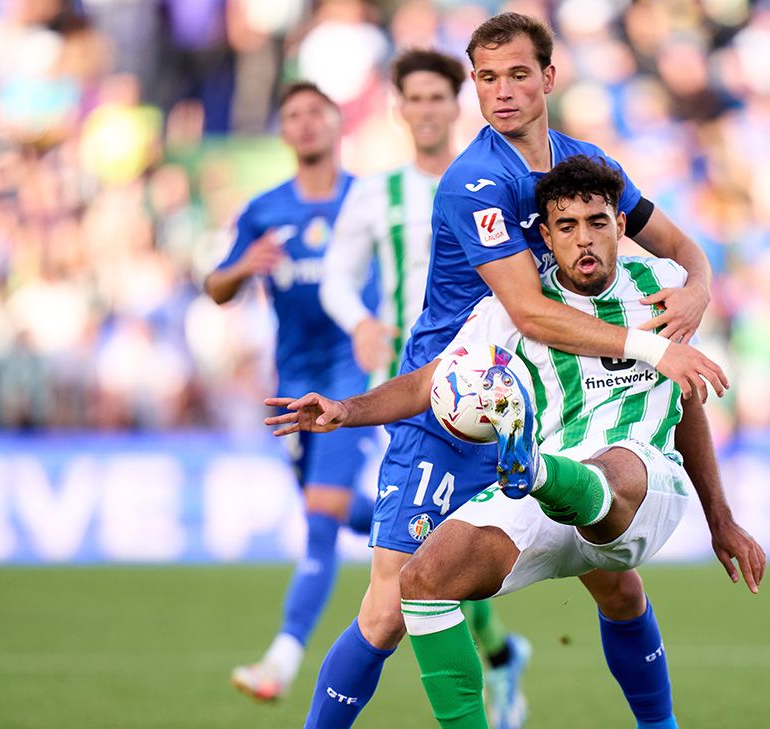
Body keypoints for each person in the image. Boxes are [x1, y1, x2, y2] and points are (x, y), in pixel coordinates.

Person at [291, 13, 740, 729]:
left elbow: (680, 245)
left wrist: (698, 286)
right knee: (389, 608)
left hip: (540, 401)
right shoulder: (476, 180)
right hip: (453, 399)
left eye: (518, 74)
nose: (501, 92)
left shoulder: (583, 168)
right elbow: (528, 314)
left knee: (616, 581)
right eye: (487, 78)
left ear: (549, 78)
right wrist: (657, 346)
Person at [319, 48, 531, 727]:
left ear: (455, 103)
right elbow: (336, 279)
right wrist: (360, 322)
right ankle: (500, 659)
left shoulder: (498, 181)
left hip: (504, 392)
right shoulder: (377, 193)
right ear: (400, 108)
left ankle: (501, 658)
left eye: (440, 97)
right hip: (423, 392)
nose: (428, 109)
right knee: (397, 590)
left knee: (600, 570)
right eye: (415, 98)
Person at [204, 81, 373, 702]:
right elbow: (216, 287)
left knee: (319, 522)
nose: (304, 124)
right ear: (283, 132)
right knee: (327, 505)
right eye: (292, 116)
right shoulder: (265, 210)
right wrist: (240, 269)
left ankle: (283, 654)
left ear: (336, 123)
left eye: (314, 114)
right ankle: (431, 527)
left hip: (355, 381)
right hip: (292, 383)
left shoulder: (369, 200)